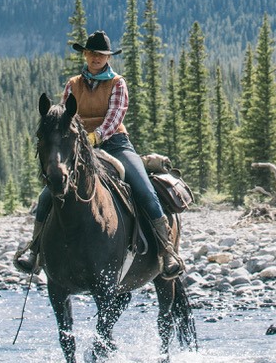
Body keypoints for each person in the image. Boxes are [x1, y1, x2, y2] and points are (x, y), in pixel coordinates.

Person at [14, 31, 185, 278]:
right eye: (92, 53)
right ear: (85, 54)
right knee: (46, 196)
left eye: (101, 55)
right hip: (79, 147)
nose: (96, 58)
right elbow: (65, 118)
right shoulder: (73, 84)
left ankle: (166, 251)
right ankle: (36, 252)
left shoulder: (117, 83)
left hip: (115, 144)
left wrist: (95, 137)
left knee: (144, 189)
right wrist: (79, 141)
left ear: (107, 57)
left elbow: (115, 117)